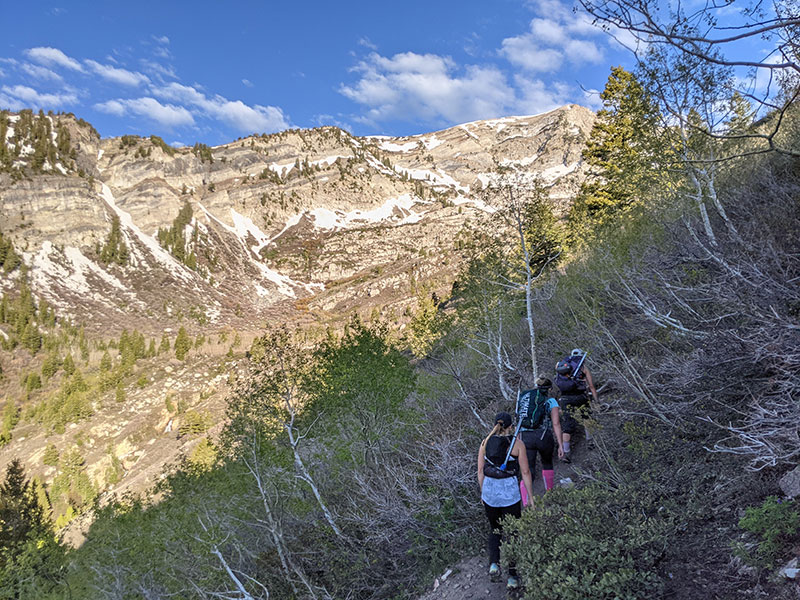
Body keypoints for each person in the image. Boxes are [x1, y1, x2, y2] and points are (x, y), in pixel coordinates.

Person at [477, 412, 535, 591]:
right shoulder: (517, 444)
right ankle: (512, 576)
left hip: (490, 493)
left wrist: (483, 493)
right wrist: (530, 497)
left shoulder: (485, 443)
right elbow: (525, 472)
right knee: (513, 533)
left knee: (495, 529)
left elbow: (480, 471)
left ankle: (494, 564)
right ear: (511, 426)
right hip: (509, 495)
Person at [516, 377, 564, 503]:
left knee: (528, 470)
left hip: (525, 437)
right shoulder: (551, 401)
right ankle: (550, 495)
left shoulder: (526, 398)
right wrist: (561, 444)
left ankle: (526, 502)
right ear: (549, 389)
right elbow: (556, 423)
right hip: (544, 436)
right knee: (547, 463)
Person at [554, 348, 598, 462]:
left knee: (567, 425)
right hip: (580, 396)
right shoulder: (583, 368)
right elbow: (591, 386)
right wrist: (596, 401)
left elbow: (558, 380)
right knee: (586, 418)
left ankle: (566, 452)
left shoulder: (560, 365)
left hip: (565, 398)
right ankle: (590, 441)